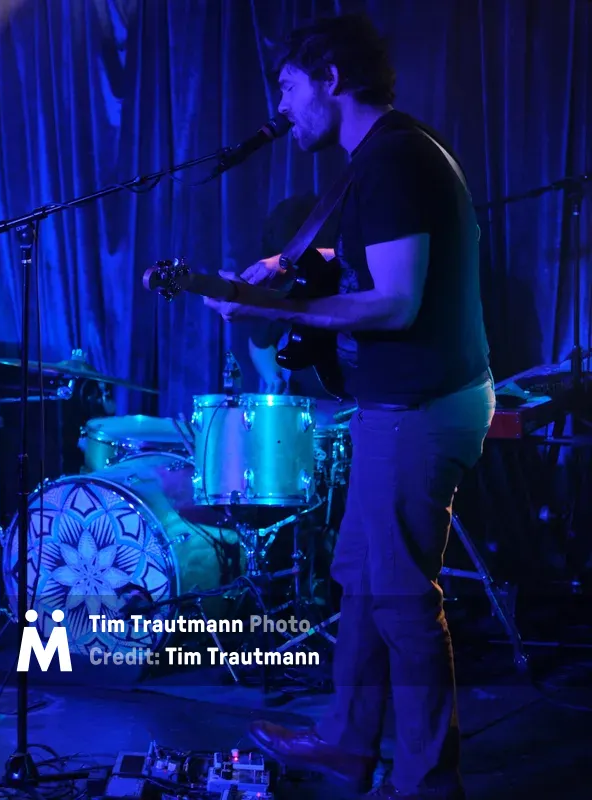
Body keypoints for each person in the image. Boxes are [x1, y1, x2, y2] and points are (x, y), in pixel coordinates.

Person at [203, 15, 492, 800]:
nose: (282, 107)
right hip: (396, 404)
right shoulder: (376, 159)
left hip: (420, 406)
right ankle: (344, 744)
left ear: (330, 79)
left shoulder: (395, 160)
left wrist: (278, 309)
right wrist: (294, 262)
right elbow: (378, 255)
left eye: (288, 86)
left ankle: (432, 783)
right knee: (362, 578)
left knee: (400, 598)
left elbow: (396, 301)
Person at [246, 193, 338, 396]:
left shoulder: (351, 278)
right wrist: (273, 377)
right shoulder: (287, 288)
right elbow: (259, 341)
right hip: (311, 408)